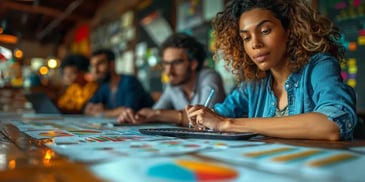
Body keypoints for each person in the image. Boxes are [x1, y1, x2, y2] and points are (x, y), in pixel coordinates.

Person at [185, 0, 357, 141]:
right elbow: (220, 114)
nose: (255, 44)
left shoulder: (319, 67)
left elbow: (332, 125)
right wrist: (203, 116)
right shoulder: (253, 84)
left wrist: (227, 124)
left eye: (265, 31)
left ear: (289, 30)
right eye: (246, 38)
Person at [117, 33, 226, 125]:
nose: (169, 71)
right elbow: (154, 113)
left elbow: (206, 118)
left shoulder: (209, 77)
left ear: (193, 64)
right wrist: (135, 117)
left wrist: (157, 114)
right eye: (166, 63)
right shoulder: (173, 85)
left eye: (176, 63)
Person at [84, 49, 154, 117]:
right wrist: (95, 109)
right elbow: (88, 108)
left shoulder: (129, 82)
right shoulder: (104, 87)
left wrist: (102, 112)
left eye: (100, 64)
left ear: (112, 64)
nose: (95, 70)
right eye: (93, 66)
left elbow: (128, 111)